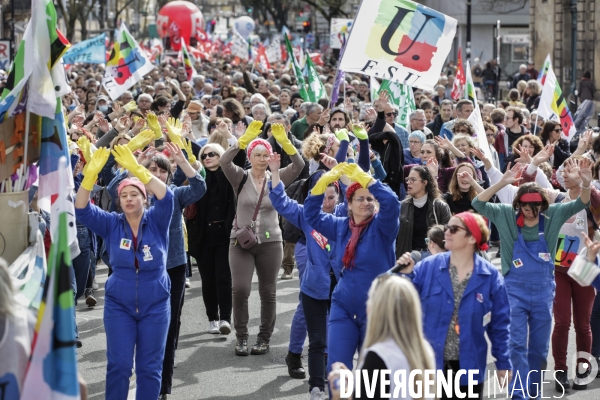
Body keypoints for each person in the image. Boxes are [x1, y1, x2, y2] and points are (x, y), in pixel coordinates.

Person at [472, 163, 592, 399]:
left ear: (543, 205)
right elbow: (478, 203)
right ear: (518, 204)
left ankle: (533, 391)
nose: (531, 212)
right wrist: (503, 183)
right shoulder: (506, 213)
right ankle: (519, 393)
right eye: (525, 207)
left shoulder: (553, 214)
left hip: (543, 292)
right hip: (513, 291)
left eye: (536, 207)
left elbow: (582, 203)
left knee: (538, 349)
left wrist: (586, 183)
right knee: (516, 344)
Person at [75, 145, 174, 400]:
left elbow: (167, 197)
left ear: (144, 198)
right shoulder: (111, 223)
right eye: (124, 195)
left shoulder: (158, 219)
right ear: (118, 201)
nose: (129, 199)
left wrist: (138, 170)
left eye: (135, 194)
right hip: (119, 305)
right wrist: (89, 177)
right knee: (118, 366)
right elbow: (82, 209)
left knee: (149, 369)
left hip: (156, 304)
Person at [397, 212, 512, 399]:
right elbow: (402, 306)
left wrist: (503, 363)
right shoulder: (426, 267)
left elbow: (500, 325)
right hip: (428, 367)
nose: (446, 233)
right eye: (446, 228)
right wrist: (405, 275)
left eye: (453, 229)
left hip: (469, 369)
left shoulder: (490, 277)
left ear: (472, 238)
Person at [303, 163, 400, 379]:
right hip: (344, 306)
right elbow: (311, 215)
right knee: (337, 371)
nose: (366, 202)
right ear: (349, 204)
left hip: (377, 310)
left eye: (370, 199)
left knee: (373, 377)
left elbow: (392, 202)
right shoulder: (340, 226)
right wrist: (323, 182)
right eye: (360, 198)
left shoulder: (383, 227)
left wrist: (367, 180)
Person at [220, 121, 305, 356]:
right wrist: (241, 141)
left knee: (268, 291)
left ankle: (264, 338)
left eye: (265, 155)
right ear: (250, 156)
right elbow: (224, 161)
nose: (261, 159)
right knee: (240, 289)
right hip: (241, 242)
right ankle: (242, 337)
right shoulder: (240, 177)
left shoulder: (277, 176)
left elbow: (299, 164)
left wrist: (286, 142)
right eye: (257, 154)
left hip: (271, 243)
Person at [269, 155, 345, 399]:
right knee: (318, 338)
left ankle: (330, 377)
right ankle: (315, 386)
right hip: (315, 285)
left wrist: (339, 168)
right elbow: (280, 201)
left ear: (339, 196)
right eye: (322, 196)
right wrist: (274, 171)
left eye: (331, 196)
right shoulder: (306, 214)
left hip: (342, 287)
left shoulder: (346, 214)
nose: (327, 202)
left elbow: (365, 193)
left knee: (337, 339)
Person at [327, 276, 436, 400]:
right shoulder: (425, 350)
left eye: (370, 299)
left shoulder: (378, 356)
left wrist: (340, 392)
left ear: (377, 308)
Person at [188, 142, 244, 336]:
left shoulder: (230, 176)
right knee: (208, 280)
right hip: (203, 235)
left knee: (223, 278)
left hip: (225, 234)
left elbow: (240, 159)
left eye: (212, 154)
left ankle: (225, 319)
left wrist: (237, 141)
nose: (207, 158)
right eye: (204, 156)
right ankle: (212, 318)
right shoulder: (198, 179)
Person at [397, 166, 451, 259]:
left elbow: (449, 234)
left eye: (413, 179)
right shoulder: (402, 206)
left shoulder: (439, 206)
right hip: (408, 256)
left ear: (424, 183)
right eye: (408, 179)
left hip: (432, 256)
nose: (408, 183)